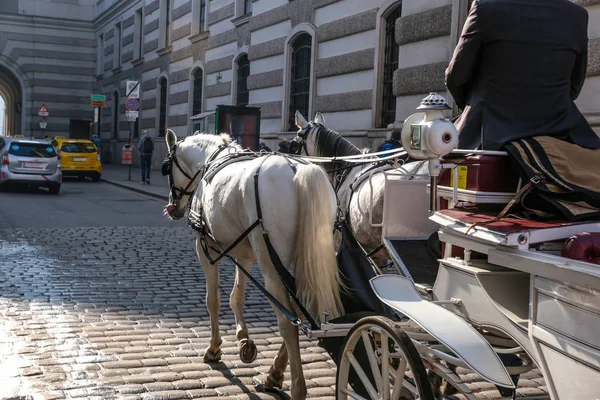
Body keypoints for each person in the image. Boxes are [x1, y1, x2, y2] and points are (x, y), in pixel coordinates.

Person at [445, 0, 600, 151]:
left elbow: (456, 77)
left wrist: (474, 107)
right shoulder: (577, 14)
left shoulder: (485, 7)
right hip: (558, 131)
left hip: (490, 134)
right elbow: (575, 83)